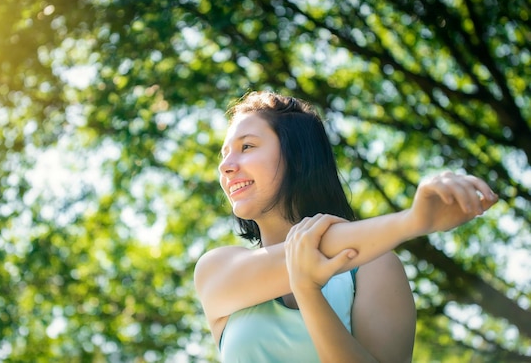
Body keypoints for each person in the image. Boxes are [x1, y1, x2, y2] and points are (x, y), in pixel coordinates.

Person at [194, 91, 498, 362]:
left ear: (297, 156)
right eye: (224, 154)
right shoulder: (216, 270)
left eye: (247, 146)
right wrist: (412, 221)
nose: (226, 165)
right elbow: (298, 254)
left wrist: (308, 292)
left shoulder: (374, 266)